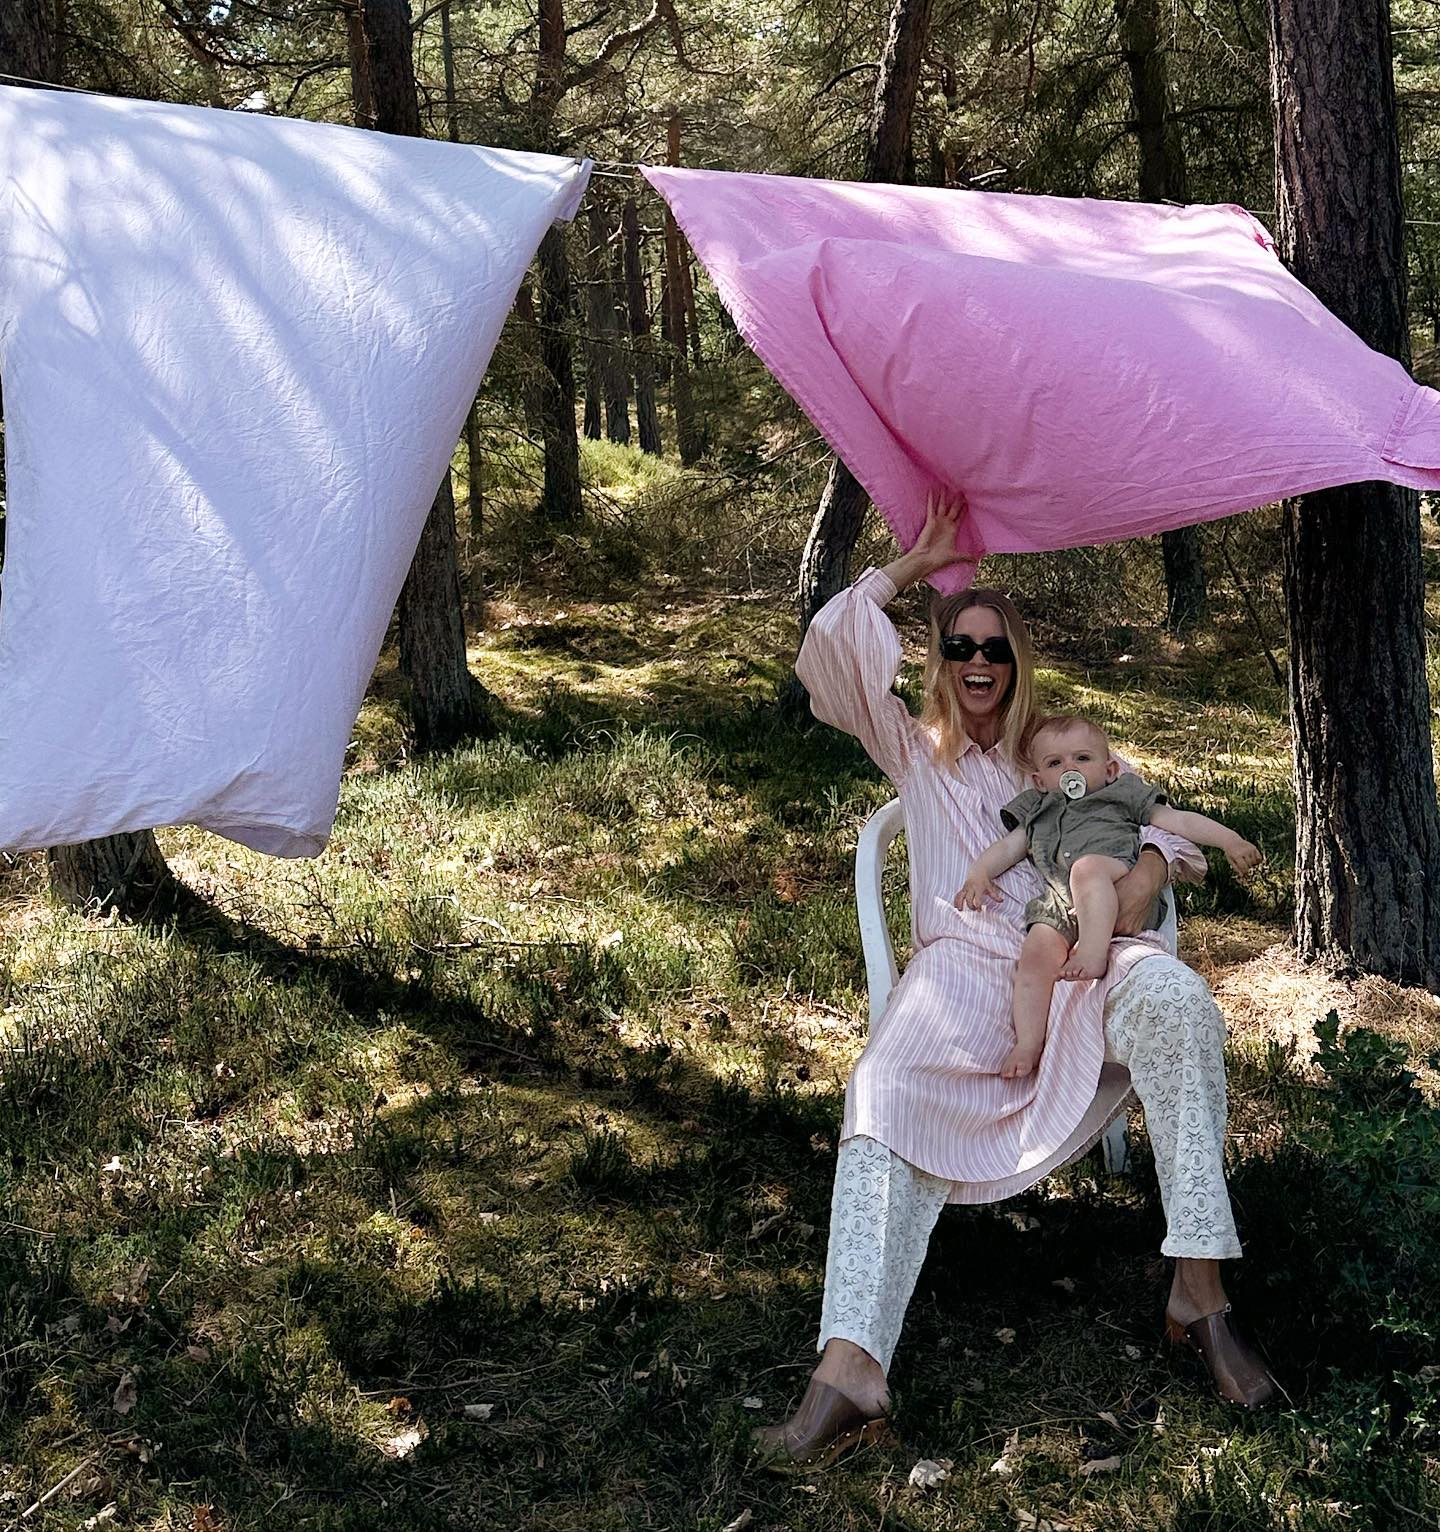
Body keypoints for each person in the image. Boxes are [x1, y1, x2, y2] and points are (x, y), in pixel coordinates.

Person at [754, 493, 1278, 1470]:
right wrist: (912, 566)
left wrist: (1150, 875)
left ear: (1018, 657)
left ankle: (1200, 1289)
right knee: (881, 1085)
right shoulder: (909, 742)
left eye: (996, 647)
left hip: (1076, 952)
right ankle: (851, 1366)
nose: (980, 663)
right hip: (960, 969)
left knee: (1178, 1002)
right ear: (938, 659)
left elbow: (1148, 821)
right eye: (961, 647)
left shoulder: (1055, 751)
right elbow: (828, 642)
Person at [958, 712, 1262, 1078]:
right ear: (1039, 780)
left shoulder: (1121, 795)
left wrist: (1230, 839)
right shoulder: (1038, 809)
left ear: (1110, 769)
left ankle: (1093, 951)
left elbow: (1179, 821)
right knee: (1034, 958)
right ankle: (1029, 1042)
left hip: (1115, 881)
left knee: (1087, 869)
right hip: (1061, 902)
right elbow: (1008, 847)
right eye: (1055, 763)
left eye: (1082, 758)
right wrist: (979, 872)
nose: (1070, 768)